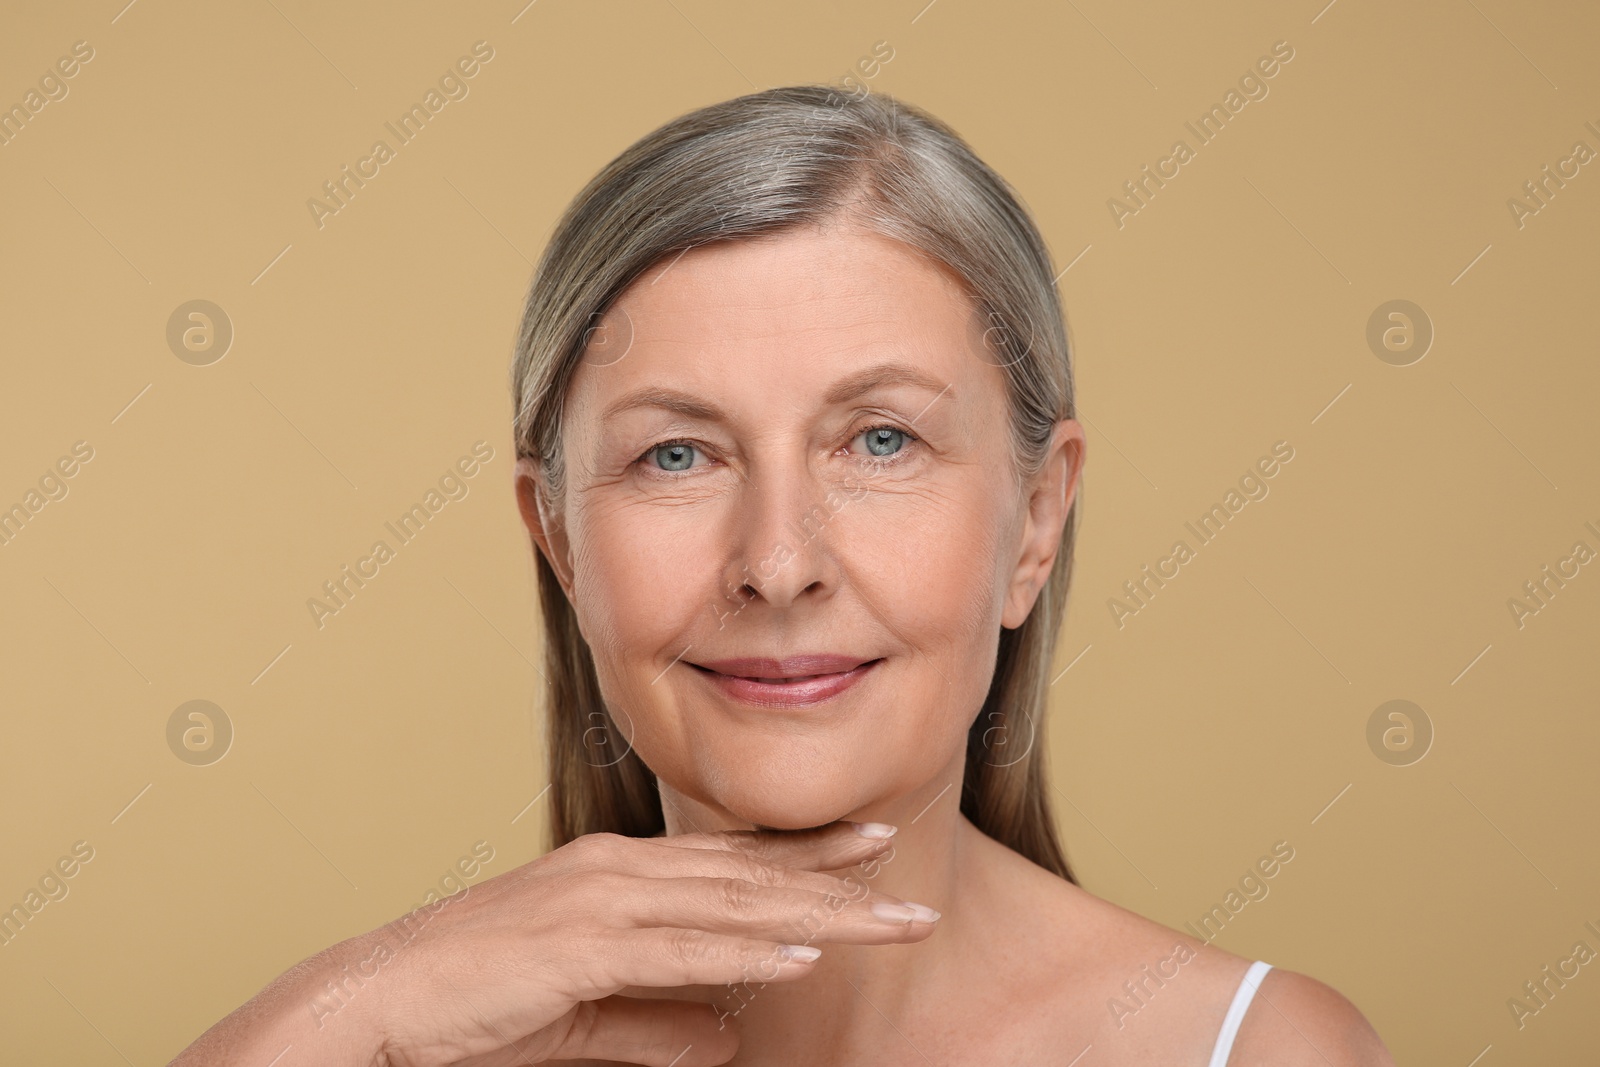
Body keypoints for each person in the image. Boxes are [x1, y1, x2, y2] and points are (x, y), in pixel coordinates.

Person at [171, 85, 1393, 1066]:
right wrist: (342, 1013)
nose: (776, 562)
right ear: (557, 541)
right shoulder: (407, 1047)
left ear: (1035, 517)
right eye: (676, 453)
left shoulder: (1262, 1049)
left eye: (880, 440)